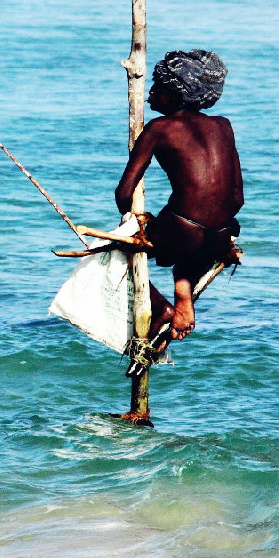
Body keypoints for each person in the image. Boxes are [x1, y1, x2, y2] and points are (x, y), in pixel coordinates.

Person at [114, 49, 243, 356]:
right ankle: (183, 293)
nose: (149, 94)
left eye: (158, 87)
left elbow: (123, 194)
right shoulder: (224, 125)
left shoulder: (159, 129)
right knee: (189, 239)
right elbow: (237, 196)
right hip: (220, 236)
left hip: (184, 232)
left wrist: (135, 219)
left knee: (122, 249)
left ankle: (162, 310)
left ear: (175, 95)